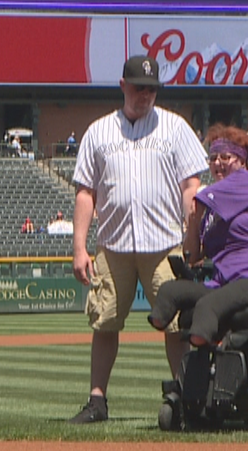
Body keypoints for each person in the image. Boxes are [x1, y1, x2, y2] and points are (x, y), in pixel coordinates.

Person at [68, 54, 208, 424]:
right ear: (123, 86)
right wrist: (79, 247)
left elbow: (191, 185)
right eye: (138, 87)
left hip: (164, 243)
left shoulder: (175, 128)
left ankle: (185, 398)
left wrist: (192, 237)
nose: (145, 94)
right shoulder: (99, 131)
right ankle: (97, 401)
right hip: (113, 245)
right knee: (105, 321)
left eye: (151, 88)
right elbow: (86, 192)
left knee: (177, 325)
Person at [146, 123, 248, 348]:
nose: (217, 163)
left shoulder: (246, 180)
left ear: (241, 161)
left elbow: (197, 197)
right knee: (170, 291)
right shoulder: (212, 207)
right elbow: (193, 257)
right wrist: (192, 223)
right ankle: (199, 366)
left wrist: (194, 204)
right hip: (228, 279)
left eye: (225, 157)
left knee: (208, 306)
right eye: (212, 158)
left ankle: (209, 349)